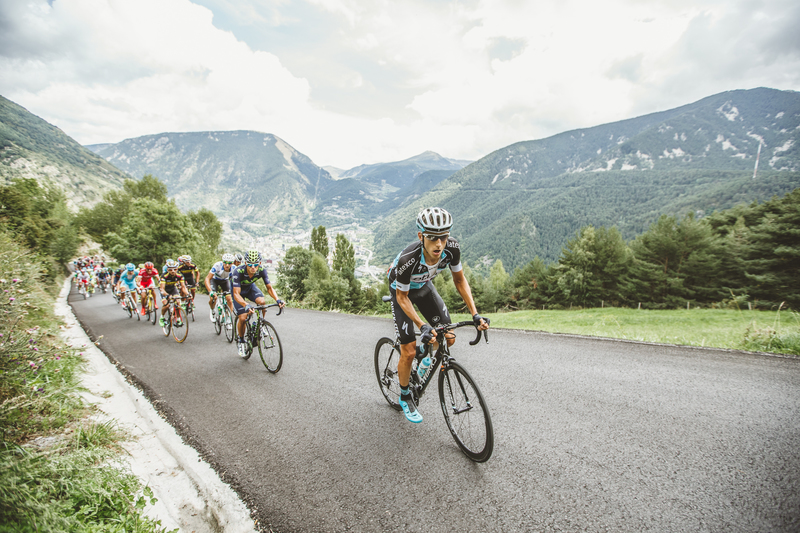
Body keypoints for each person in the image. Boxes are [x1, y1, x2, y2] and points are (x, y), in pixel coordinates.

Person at [386, 207, 489, 423]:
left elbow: (460, 281)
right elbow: (403, 298)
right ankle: (405, 396)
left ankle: (425, 356)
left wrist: (475, 314)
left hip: (424, 287)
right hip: (401, 292)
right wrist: (421, 324)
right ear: (421, 236)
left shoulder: (452, 249)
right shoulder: (409, 259)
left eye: (443, 237)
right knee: (409, 350)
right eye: (433, 238)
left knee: (448, 337)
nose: (439, 244)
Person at [231, 249, 284, 358]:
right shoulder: (238, 272)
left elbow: (269, 288)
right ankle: (241, 341)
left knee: (262, 302)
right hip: (238, 291)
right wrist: (246, 305)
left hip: (250, 288)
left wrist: (277, 300)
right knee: (243, 317)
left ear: (259, 263)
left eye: (255, 265)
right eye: (250, 265)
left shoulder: (261, 270)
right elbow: (236, 294)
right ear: (245, 263)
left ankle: (260, 323)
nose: (253, 268)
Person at [204, 253, 236, 323]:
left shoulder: (234, 268)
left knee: (229, 299)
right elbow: (207, 278)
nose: (227, 265)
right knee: (213, 297)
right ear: (222, 262)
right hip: (214, 280)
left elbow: (236, 281)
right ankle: (212, 309)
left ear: (232, 263)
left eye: (229, 263)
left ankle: (229, 317)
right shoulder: (217, 265)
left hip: (225, 281)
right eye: (225, 262)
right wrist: (210, 291)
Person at [158, 259, 189, 327]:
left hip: (172, 288)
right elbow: (162, 289)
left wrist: (188, 294)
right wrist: (167, 295)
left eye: (175, 269)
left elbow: (183, 287)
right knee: (167, 305)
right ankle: (162, 317)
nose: (173, 271)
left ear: (177, 269)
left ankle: (178, 319)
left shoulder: (180, 275)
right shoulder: (164, 276)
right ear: (167, 269)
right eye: (170, 269)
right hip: (164, 290)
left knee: (178, 302)